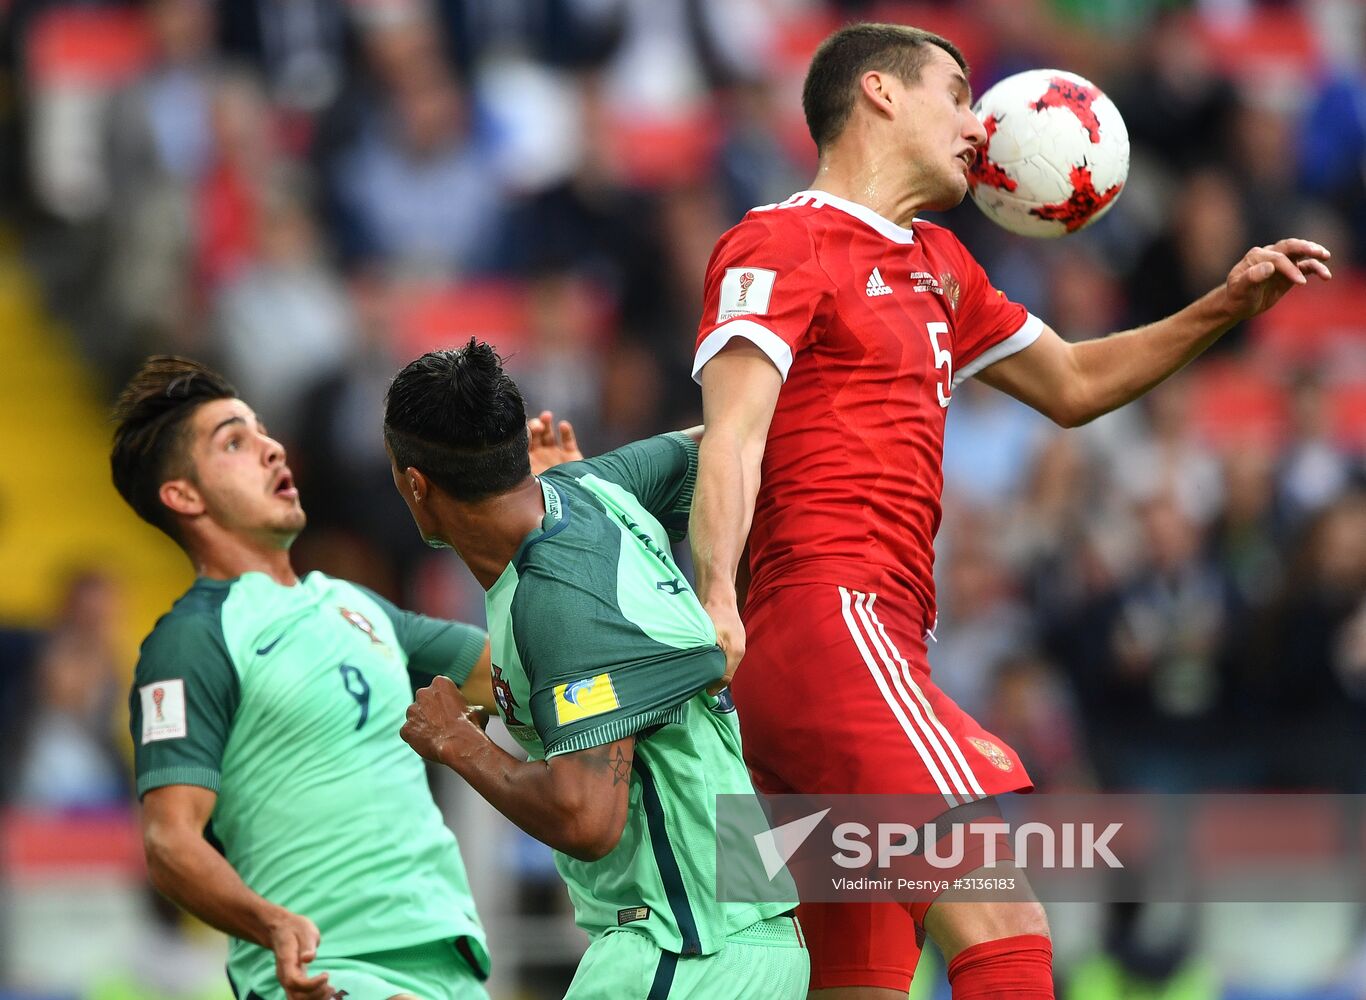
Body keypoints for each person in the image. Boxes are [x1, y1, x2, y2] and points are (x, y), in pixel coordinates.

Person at [687, 22, 1332, 1000]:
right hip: (830, 624)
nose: (978, 120)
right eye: (956, 93)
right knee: (1005, 919)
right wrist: (712, 599)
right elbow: (730, 433)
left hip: (872, 647)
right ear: (880, 94)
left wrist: (1221, 306)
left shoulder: (938, 263)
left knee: (860, 972)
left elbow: (1071, 380)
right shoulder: (781, 239)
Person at [111, 356, 573, 1000]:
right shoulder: (193, 639)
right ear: (183, 496)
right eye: (235, 443)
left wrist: (550, 521)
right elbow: (168, 842)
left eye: (263, 432)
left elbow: (528, 667)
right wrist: (269, 923)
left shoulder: (354, 606)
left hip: (451, 968)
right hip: (331, 975)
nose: (271, 449)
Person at [385, 341, 810, 1000]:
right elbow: (741, 434)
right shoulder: (596, 488)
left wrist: (461, 744)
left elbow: (587, 818)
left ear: (416, 484)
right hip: (746, 934)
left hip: (681, 950)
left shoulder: (557, 600)